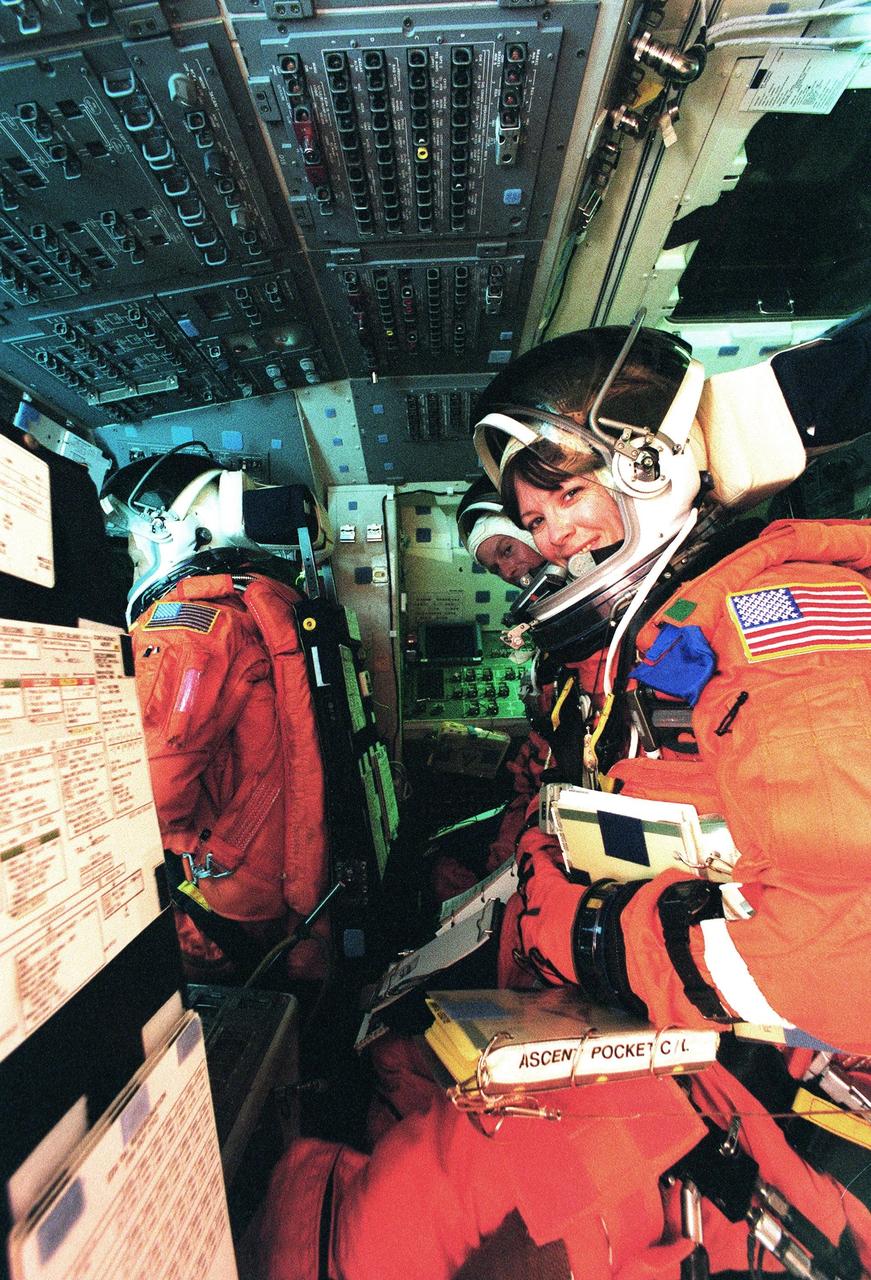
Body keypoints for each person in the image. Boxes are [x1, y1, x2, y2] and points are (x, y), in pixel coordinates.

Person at [256, 319, 871, 1278]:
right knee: (390, 1075)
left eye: (567, 496)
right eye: (534, 522)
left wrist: (582, 929)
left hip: (775, 1107)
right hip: (662, 1034)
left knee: (379, 1233)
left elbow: (845, 958)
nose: (553, 539)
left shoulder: (779, 630)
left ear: (651, 467)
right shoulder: (644, 646)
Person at [101, 446, 331, 980]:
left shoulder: (187, 629)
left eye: (136, 551)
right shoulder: (267, 604)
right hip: (275, 887)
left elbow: (141, 802)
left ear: (171, 533)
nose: (135, 566)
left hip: (220, 906)